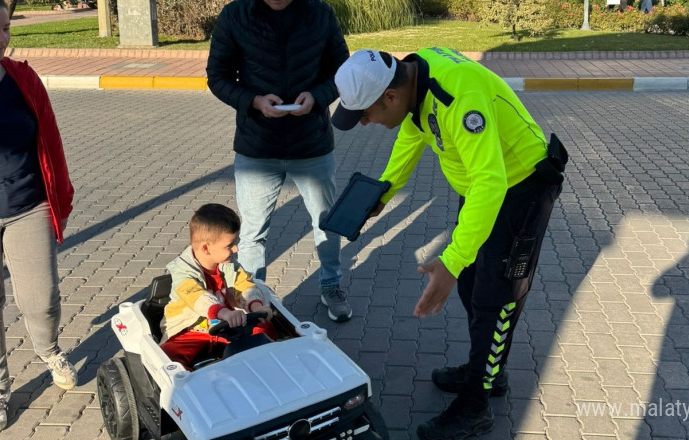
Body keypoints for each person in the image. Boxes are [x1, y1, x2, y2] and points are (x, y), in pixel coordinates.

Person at [331, 48, 567, 440]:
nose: (365, 123)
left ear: (390, 96)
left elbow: (491, 181)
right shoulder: (413, 79)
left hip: (520, 187)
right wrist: (383, 192)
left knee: (496, 298)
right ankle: (488, 371)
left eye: (365, 114)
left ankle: (476, 405)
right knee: (474, 286)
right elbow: (414, 131)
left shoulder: (459, 97)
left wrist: (451, 260)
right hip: (482, 190)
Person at [0, 0, 78, 434]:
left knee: (41, 299)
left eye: (6, 28)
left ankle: (49, 350)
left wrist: (58, 197)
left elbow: (50, 140)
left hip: (28, 206)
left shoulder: (22, 79)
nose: (3, 38)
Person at [206, 0, 353, 322]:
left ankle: (332, 285)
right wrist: (253, 101)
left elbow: (341, 72)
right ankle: (252, 295)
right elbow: (217, 76)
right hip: (257, 146)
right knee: (253, 232)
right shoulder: (236, 14)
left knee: (327, 223)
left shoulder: (319, 12)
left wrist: (317, 97)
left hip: (311, 143)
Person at [160, 204, 277, 370]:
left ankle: (266, 367)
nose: (235, 249)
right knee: (167, 359)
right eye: (230, 245)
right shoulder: (183, 272)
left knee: (265, 329)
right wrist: (224, 313)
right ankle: (189, 385)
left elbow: (244, 284)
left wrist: (257, 305)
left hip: (228, 327)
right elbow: (196, 297)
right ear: (206, 248)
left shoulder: (228, 264)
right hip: (192, 329)